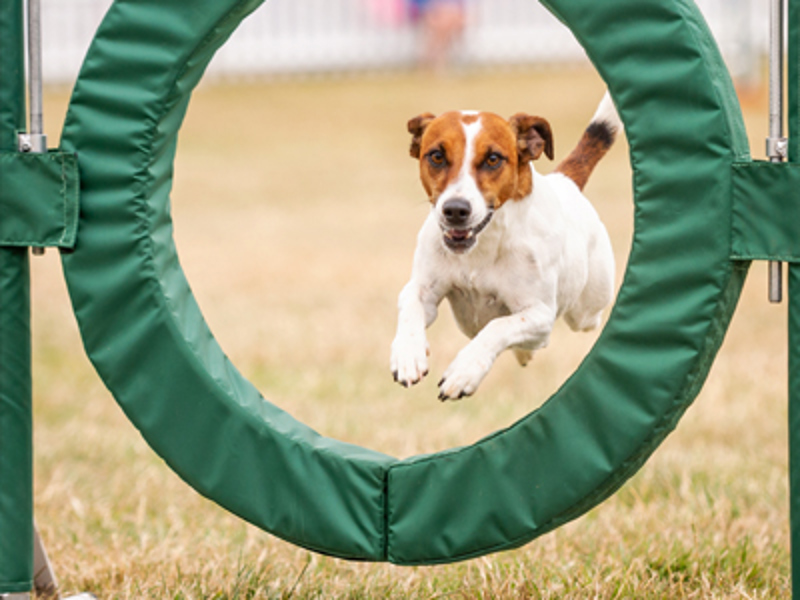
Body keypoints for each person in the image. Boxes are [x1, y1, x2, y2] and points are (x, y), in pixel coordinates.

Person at [408, 0, 466, 72]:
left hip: (440, 11)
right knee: (437, 38)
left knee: (442, 36)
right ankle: (429, 64)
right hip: (429, 11)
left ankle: (436, 63)